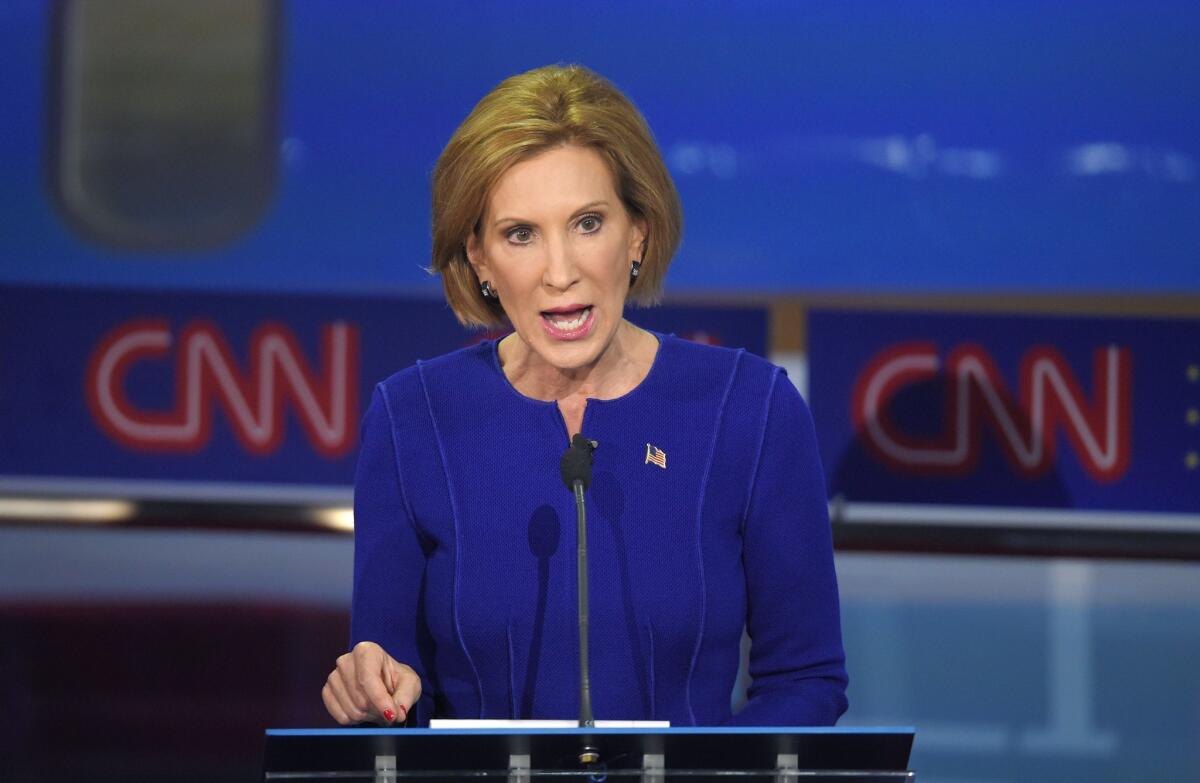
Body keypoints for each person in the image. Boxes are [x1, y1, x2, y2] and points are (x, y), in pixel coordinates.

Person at [321, 64, 847, 728]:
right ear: (479, 257)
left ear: (639, 232)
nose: (561, 271)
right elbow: (393, 683)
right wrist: (371, 690)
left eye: (588, 223)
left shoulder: (751, 410)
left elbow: (805, 679)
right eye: (520, 234)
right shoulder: (412, 419)